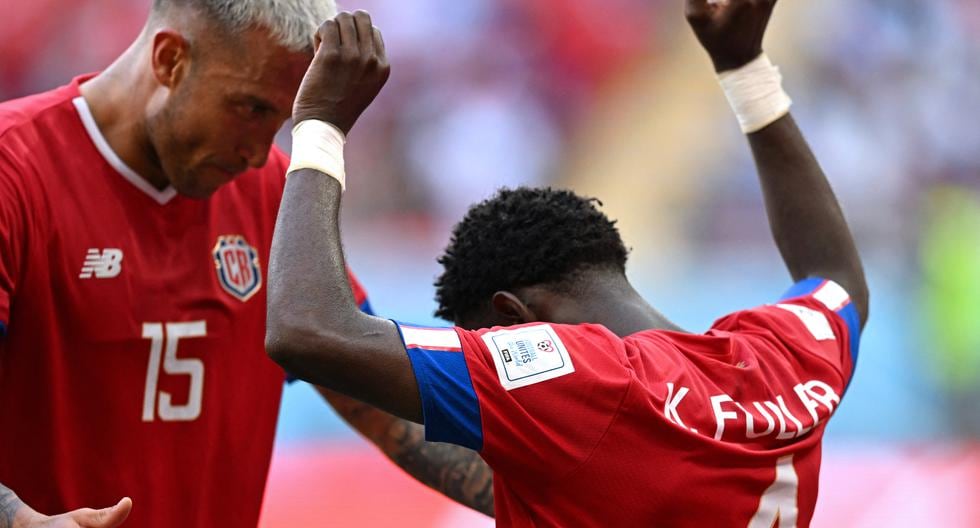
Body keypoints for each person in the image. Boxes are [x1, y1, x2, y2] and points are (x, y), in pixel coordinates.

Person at [266, 1, 869, 526]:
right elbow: (836, 275)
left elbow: (308, 331)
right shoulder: (778, 361)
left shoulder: (581, 381)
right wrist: (747, 72)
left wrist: (319, 128)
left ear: (514, 317)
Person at [0, 2, 375, 527]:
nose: (258, 151)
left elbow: (378, 396)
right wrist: (19, 520)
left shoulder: (270, 190)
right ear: (170, 58)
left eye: (283, 122)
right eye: (250, 110)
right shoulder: (13, 171)